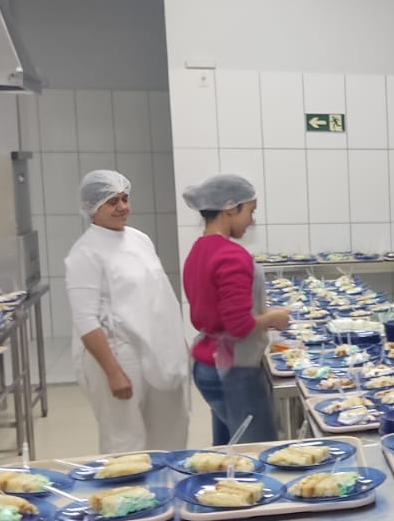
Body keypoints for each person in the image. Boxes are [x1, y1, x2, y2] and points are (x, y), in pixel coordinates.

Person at [64, 169, 189, 453]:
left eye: (125, 198)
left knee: (170, 430)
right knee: (124, 439)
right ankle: (127, 484)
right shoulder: (85, 253)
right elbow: (85, 321)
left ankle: (166, 480)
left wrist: (175, 341)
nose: (123, 207)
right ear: (92, 207)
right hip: (118, 352)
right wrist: (113, 372)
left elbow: (157, 294)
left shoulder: (139, 239)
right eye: (112, 202)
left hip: (155, 348)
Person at [180, 173, 290, 445]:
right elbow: (239, 325)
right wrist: (273, 318)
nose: (251, 221)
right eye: (250, 211)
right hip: (234, 370)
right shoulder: (232, 256)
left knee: (229, 447)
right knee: (257, 449)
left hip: (207, 364)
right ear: (230, 208)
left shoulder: (199, 249)